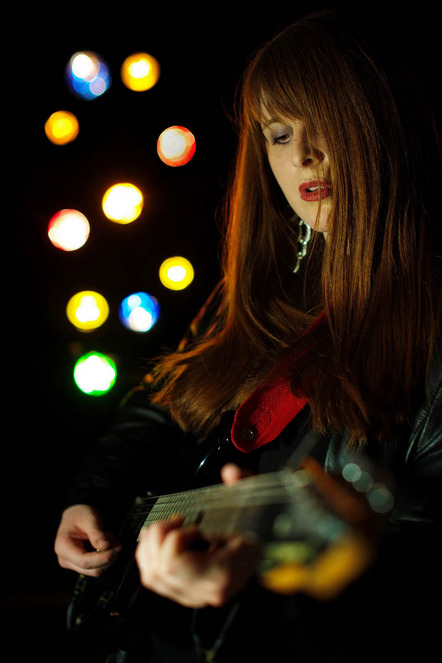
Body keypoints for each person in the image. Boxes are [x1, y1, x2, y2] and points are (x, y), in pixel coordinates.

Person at [55, 9, 442, 663]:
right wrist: (92, 496)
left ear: (383, 124)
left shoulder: (430, 315)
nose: (303, 155)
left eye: (324, 121)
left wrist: (262, 589)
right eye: (279, 133)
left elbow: (418, 557)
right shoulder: (261, 292)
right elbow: (162, 404)